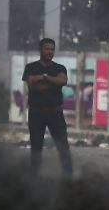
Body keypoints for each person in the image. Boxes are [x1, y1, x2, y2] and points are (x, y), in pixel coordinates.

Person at [22, 38, 73, 177]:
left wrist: (43, 77)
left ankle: (68, 177)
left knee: (63, 146)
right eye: (47, 49)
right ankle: (34, 178)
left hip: (55, 112)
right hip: (36, 113)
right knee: (36, 147)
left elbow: (63, 81)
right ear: (40, 50)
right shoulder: (31, 67)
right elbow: (32, 85)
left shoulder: (59, 68)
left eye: (52, 49)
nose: (50, 52)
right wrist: (52, 82)